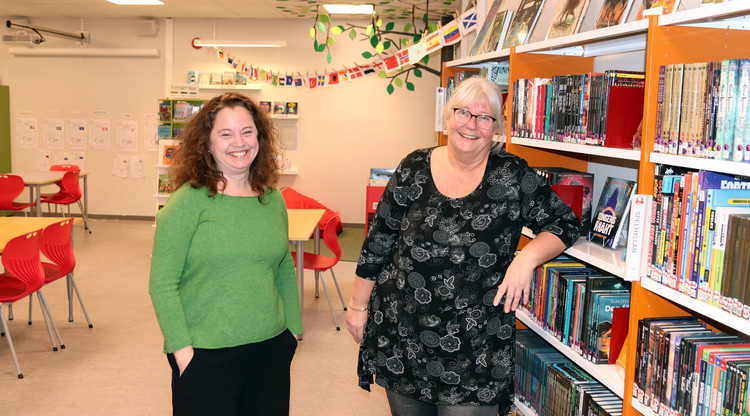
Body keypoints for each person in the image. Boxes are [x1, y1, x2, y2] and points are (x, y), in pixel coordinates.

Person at [346, 77, 582, 415]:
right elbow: (379, 240)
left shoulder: (512, 174)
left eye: (484, 117)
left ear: (496, 128)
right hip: (403, 334)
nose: (472, 124)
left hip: (477, 347)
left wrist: (525, 260)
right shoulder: (414, 167)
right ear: (447, 118)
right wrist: (358, 307)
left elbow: (566, 223)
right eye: (463, 112)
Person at [149, 92, 302, 416]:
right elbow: (162, 284)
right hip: (206, 354)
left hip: (271, 348)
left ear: (259, 137)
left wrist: (293, 329)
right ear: (207, 142)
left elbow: (283, 264)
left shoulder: (272, 199)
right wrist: (183, 354)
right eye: (226, 133)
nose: (239, 142)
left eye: (247, 131)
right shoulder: (186, 203)